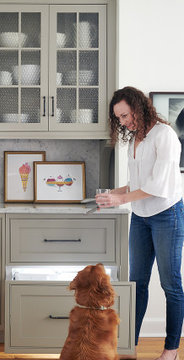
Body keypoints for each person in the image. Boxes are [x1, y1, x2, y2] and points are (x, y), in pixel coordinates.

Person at [96, 86, 184, 360]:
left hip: (167, 214)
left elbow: (158, 185)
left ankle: (170, 349)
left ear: (139, 107)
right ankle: (128, 347)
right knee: (137, 283)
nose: (123, 122)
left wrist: (120, 201)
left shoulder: (165, 135)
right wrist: (114, 193)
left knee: (171, 284)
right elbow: (137, 183)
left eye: (125, 115)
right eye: (119, 118)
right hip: (141, 217)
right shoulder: (135, 139)